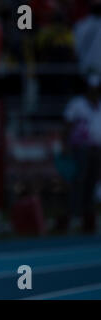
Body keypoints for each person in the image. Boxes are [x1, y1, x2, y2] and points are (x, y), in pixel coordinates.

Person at [59, 74, 101, 233]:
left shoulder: (99, 106)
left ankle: (88, 218)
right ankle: (73, 216)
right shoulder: (77, 104)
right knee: (78, 182)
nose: (95, 92)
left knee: (92, 183)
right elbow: (67, 124)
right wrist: (65, 145)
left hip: (96, 149)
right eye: (93, 89)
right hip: (80, 149)